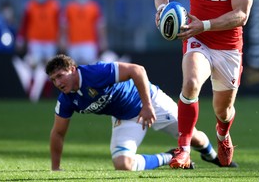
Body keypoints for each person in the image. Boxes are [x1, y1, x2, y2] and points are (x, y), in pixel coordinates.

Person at [154, 0, 254, 168]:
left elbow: (242, 15)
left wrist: (205, 24)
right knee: (190, 83)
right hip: (197, 39)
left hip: (229, 47)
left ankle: (223, 134)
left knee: (224, 110)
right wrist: (161, 11)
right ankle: (184, 150)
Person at [46, 54, 237, 171]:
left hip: (151, 101)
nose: (58, 83)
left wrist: (147, 105)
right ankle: (171, 157)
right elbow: (58, 133)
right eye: (53, 80)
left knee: (195, 138)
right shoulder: (66, 100)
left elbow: (137, 70)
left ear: (72, 69)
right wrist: (55, 169)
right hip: (126, 117)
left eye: (60, 76)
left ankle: (215, 157)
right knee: (122, 164)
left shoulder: (94, 72)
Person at [16, 0, 61, 102]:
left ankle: (47, 93)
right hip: (35, 40)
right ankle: (34, 91)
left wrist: (60, 38)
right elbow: (24, 23)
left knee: (50, 67)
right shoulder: (30, 5)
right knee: (34, 64)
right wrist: (21, 38)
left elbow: (59, 23)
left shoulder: (54, 5)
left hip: (50, 40)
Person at [61, 0, 108, 65]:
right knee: (73, 67)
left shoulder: (94, 7)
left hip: (89, 43)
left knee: (89, 66)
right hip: (73, 42)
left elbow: (100, 25)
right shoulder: (69, 7)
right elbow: (64, 25)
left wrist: (103, 40)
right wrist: (63, 39)